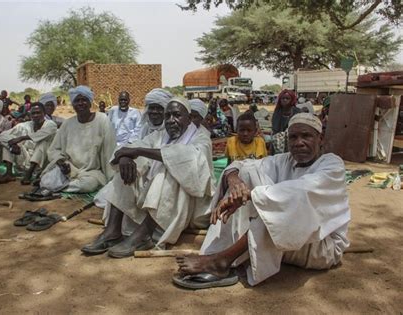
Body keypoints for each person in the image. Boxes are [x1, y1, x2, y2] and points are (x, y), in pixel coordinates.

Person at [173, 113, 350, 289]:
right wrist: (236, 184)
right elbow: (243, 165)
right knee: (247, 175)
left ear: (320, 138)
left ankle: (221, 261)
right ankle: (219, 253)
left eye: (306, 136)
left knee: (281, 211)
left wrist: (250, 195)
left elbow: (302, 191)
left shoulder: (332, 164)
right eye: (293, 137)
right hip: (287, 243)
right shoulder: (284, 160)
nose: (299, 142)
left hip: (320, 247)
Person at [82, 97, 214, 257]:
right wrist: (125, 157)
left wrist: (138, 152)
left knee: (168, 170)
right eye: (168, 116)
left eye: (177, 115)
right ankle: (112, 231)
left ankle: (145, 234)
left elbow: (185, 159)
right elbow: (135, 146)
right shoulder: (161, 135)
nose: (171, 121)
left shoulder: (202, 138)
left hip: (192, 206)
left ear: (189, 118)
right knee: (127, 168)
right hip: (158, 199)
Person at [38, 86, 116, 193]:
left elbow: (109, 150)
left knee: (88, 185)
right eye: (77, 100)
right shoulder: (67, 123)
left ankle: (58, 188)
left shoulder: (102, 120)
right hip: (69, 169)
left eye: (84, 100)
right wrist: (61, 162)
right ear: (73, 104)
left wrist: (111, 179)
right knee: (46, 181)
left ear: (90, 102)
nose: (80, 103)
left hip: (91, 172)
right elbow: (53, 150)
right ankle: (57, 186)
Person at [0, 103, 57, 185]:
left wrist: (21, 138)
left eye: (38, 113)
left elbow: (41, 134)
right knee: (8, 144)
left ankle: (29, 174)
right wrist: (13, 145)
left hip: (42, 163)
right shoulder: (25, 126)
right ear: (30, 114)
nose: (36, 115)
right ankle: (9, 174)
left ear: (44, 113)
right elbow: (3, 135)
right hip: (25, 160)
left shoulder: (50, 124)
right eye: (33, 113)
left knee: (43, 142)